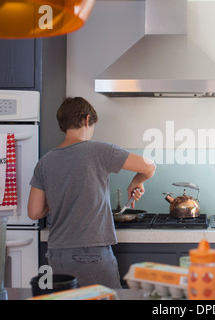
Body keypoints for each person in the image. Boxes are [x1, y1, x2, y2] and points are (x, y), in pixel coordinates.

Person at [27, 97, 156, 289]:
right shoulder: (99, 150)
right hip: (91, 253)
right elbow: (149, 166)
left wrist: (59, 196)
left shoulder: (45, 161)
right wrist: (137, 181)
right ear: (87, 120)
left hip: (56, 255)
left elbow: (34, 212)